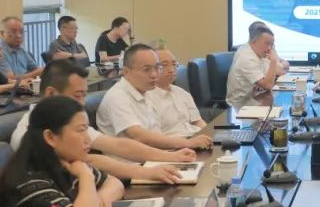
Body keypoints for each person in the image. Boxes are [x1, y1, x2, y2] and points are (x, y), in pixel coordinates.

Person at [11, 60, 198, 184]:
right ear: (51, 94)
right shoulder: (30, 132)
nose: (82, 103)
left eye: (84, 95)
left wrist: (172, 157)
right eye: (77, 95)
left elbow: (116, 145)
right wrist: (147, 172)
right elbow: (89, 160)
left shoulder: (68, 121)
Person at [0, 96, 125, 207]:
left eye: (86, 129)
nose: (88, 139)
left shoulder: (68, 162)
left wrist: (101, 197)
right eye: (80, 130)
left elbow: (114, 183)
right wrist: (86, 177)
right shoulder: (29, 184)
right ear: (50, 137)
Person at [98, 44, 209, 150]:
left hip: (157, 153)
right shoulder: (117, 96)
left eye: (157, 68)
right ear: (126, 72)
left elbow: (156, 135)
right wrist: (186, 144)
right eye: (146, 69)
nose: (154, 75)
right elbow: (139, 136)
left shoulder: (144, 92)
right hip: (135, 161)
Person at [148, 48, 211, 142]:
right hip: (174, 144)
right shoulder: (148, 98)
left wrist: (210, 136)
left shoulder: (182, 93)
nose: (171, 70)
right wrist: (188, 143)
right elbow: (155, 138)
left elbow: (198, 121)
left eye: (174, 64)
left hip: (195, 138)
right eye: (164, 65)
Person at [226, 25, 283, 108]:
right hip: (239, 106)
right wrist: (273, 61)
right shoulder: (246, 57)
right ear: (253, 41)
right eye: (267, 43)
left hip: (255, 97)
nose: (269, 48)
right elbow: (268, 85)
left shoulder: (259, 53)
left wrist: (263, 83)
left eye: (272, 45)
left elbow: (270, 78)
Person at [0, 16, 44, 80]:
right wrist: (36, 73)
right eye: (13, 32)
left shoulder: (21, 49)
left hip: (26, 84)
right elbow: (10, 79)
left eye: (21, 32)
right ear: (2, 33)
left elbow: (36, 69)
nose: (19, 36)